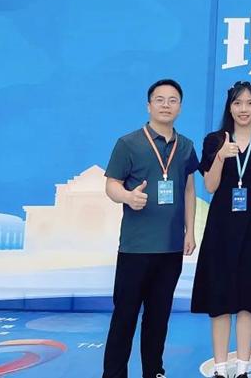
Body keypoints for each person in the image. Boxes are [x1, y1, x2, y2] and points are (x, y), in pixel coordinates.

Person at [102, 79, 199, 378]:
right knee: (125, 317)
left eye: (172, 100)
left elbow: (188, 190)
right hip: (135, 247)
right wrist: (128, 197)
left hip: (170, 248)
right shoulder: (128, 143)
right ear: (149, 105)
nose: (166, 105)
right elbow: (111, 184)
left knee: (158, 319)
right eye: (160, 99)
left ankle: (154, 371)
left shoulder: (186, 147)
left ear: (180, 107)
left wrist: (190, 231)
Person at [191, 81, 251, 378]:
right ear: (229, 107)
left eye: (250, 103)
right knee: (219, 299)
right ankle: (220, 368)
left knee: (247, 300)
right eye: (238, 103)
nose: (244, 109)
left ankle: (242, 369)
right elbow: (210, 186)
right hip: (220, 225)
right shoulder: (214, 140)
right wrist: (220, 156)